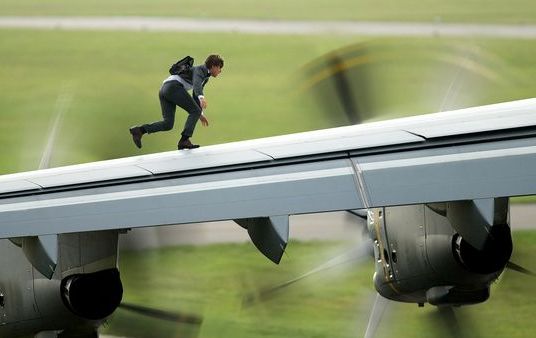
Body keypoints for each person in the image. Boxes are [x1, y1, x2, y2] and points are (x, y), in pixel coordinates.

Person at [129, 54, 224, 150]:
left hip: (164, 89)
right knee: (194, 111)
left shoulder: (205, 77)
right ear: (213, 66)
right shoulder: (200, 70)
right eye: (219, 68)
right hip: (173, 87)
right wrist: (201, 98)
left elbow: (195, 94)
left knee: (168, 124)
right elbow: (196, 86)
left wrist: (200, 113)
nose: (220, 71)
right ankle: (184, 140)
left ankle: (139, 130)